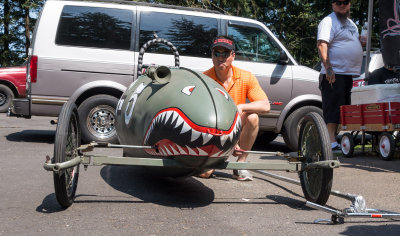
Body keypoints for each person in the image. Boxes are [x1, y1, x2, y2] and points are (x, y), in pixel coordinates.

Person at [199, 35, 270, 181]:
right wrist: (230, 144)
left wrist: (241, 107)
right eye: (216, 53)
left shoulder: (246, 77)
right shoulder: (204, 79)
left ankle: (240, 164)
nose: (220, 58)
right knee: (205, 174)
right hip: (212, 131)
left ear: (233, 56)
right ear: (212, 56)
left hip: (236, 127)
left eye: (225, 53)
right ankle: (218, 157)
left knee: (253, 117)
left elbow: (265, 105)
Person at [317, 0, 363, 151]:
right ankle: (330, 142)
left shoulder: (352, 23)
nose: (343, 5)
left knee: (345, 107)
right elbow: (322, 44)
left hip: (350, 73)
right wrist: (328, 68)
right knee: (333, 107)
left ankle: (338, 140)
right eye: (339, 2)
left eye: (346, 2)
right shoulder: (328, 21)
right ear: (332, 4)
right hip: (335, 72)